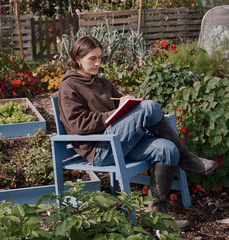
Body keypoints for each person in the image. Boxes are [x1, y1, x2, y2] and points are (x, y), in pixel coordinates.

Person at [57, 35, 218, 231]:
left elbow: (119, 109)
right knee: (149, 107)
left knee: (167, 149)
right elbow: (77, 124)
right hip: (101, 150)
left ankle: (157, 216)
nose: (98, 62)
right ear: (77, 59)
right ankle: (187, 158)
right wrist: (115, 114)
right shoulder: (69, 86)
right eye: (92, 58)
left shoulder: (103, 83)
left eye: (100, 57)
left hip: (121, 143)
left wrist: (125, 103)